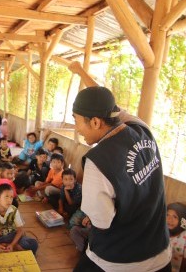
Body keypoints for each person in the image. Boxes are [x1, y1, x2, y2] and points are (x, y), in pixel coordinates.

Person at [72, 86, 170, 271]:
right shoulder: (142, 129)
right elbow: (111, 107)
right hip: (161, 254)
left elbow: (101, 223)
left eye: (75, 120)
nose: (76, 128)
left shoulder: (98, 162)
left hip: (118, 261)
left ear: (94, 122)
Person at [0, 183, 38, 255]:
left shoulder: (14, 210)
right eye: (6, 197)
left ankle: (9, 247)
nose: (9, 200)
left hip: (11, 236)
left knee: (33, 244)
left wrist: (12, 244)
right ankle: (0, 248)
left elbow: (20, 230)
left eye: (11, 197)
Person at [167, 203, 186, 272]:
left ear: (183, 221)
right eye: (167, 215)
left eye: (175, 217)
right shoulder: (160, 229)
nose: (169, 219)